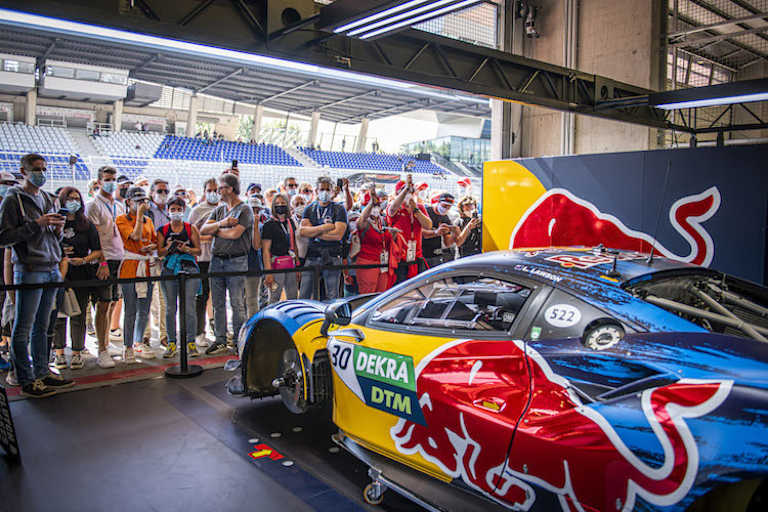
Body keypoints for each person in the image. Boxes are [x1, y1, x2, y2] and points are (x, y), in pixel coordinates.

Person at [0, 153, 73, 397]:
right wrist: (37, 224)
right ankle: (25, 378)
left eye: (43, 168)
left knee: (43, 326)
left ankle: (42, 372)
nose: (41, 173)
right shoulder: (12, 200)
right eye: (36, 169)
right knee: (23, 327)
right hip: (30, 269)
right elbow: (5, 237)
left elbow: (53, 237)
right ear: (24, 171)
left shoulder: (47, 198)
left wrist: (57, 229)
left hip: (51, 266)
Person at [200, 173, 254, 355]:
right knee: (217, 302)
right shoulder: (220, 210)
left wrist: (216, 230)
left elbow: (235, 234)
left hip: (236, 260)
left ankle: (239, 340)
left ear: (230, 189)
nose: (218, 191)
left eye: (221, 187)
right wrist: (222, 224)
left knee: (237, 303)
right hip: (217, 260)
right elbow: (203, 229)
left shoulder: (245, 210)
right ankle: (220, 339)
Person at [52, 187, 104, 370]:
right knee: (58, 315)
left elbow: (97, 250)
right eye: (69, 198)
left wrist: (83, 260)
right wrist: (59, 253)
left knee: (79, 314)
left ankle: (76, 352)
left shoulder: (86, 224)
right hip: (58, 273)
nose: (73, 202)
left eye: (76, 198)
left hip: (81, 273)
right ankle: (58, 352)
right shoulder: (55, 222)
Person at [86, 165, 125, 369]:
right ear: (99, 181)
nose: (111, 182)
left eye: (114, 178)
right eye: (107, 178)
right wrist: (101, 261)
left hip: (118, 258)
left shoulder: (118, 205)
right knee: (102, 304)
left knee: (111, 302)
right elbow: (93, 237)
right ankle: (101, 350)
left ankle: (107, 344)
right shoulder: (93, 205)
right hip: (104, 260)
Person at [116, 187, 158, 362]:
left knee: (144, 308)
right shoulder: (122, 219)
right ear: (128, 202)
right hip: (130, 266)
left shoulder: (149, 220)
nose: (142, 204)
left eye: (144, 201)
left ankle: (139, 341)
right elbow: (134, 236)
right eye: (138, 201)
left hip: (146, 265)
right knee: (131, 309)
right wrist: (140, 216)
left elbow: (154, 240)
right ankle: (127, 346)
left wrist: (152, 247)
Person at [157, 197, 202, 359]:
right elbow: (159, 252)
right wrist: (169, 247)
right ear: (168, 211)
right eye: (173, 209)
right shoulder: (163, 230)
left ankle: (191, 342)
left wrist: (187, 249)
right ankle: (171, 343)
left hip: (189, 269)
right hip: (169, 270)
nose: (176, 212)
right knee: (170, 308)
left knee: (189, 307)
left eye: (179, 209)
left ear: (184, 210)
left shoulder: (191, 228)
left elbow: (198, 251)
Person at [298, 176, 347, 300]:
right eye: (321, 189)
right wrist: (326, 227)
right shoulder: (309, 209)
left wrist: (314, 231)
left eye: (327, 189)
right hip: (312, 255)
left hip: (332, 256)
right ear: (316, 190)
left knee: (332, 295)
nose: (324, 192)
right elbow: (303, 231)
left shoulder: (339, 209)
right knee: (304, 293)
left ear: (332, 191)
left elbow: (338, 235)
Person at [188, 178, 218, 347]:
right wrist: (211, 237)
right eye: (210, 190)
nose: (213, 193)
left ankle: (220, 331)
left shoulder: (225, 209)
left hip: (220, 259)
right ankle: (199, 332)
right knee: (201, 296)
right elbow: (191, 235)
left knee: (219, 298)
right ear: (204, 191)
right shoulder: (197, 211)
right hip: (202, 260)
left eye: (216, 190)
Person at [387, 175, 431, 284]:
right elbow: (391, 210)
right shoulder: (394, 207)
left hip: (416, 257)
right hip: (399, 259)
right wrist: (405, 189)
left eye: (410, 191)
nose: (408, 194)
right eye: (405, 191)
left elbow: (428, 225)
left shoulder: (419, 208)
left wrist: (415, 209)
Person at [145, 178, 170, 348]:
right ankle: (145, 335)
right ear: (152, 193)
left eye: (166, 191)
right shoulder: (147, 211)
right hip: (149, 259)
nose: (163, 195)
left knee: (165, 300)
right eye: (159, 191)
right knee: (146, 298)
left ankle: (164, 335)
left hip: (166, 260)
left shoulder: (171, 211)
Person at [355, 192, 395, 293]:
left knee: (382, 295)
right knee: (367, 296)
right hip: (367, 263)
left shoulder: (383, 221)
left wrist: (393, 234)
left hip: (383, 263)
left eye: (377, 205)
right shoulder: (363, 221)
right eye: (372, 205)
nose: (375, 208)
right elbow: (361, 220)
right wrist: (371, 203)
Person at [261, 193, 298, 305]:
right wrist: (268, 272)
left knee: (293, 296)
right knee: (274, 298)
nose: (280, 206)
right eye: (277, 204)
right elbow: (266, 250)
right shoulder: (269, 224)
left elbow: (294, 244)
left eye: (283, 203)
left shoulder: (290, 222)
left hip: (290, 262)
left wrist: (297, 264)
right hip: (275, 264)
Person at [0, 171, 19, 370]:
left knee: (11, 311)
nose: (8, 186)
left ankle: (12, 355)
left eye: (11, 183)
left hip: (10, 266)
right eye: (4, 183)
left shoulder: (13, 208)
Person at [422, 192, 457, 269]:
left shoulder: (445, 218)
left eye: (449, 207)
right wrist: (436, 232)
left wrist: (454, 232)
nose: (446, 209)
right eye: (444, 206)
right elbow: (421, 232)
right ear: (438, 202)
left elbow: (447, 243)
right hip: (422, 254)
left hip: (436, 255)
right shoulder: (426, 212)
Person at [244, 195, 264, 318]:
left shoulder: (261, 226)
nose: (255, 213)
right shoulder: (240, 226)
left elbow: (256, 246)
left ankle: (253, 328)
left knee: (252, 299)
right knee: (239, 301)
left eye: (257, 210)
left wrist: (255, 226)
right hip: (239, 265)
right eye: (252, 210)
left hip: (254, 266)